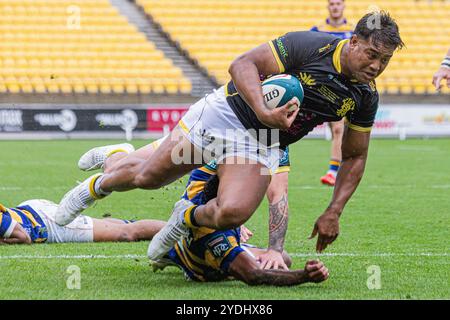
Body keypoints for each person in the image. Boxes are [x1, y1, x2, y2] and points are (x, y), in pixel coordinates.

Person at [55, 12, 404, 262]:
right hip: (226, 115)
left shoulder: (365, 97)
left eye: (384, 61)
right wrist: (264, 111)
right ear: (354, 42)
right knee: (148, 177)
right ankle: (94, 188)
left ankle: (185, 217)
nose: (376, 66)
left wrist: (334, 211)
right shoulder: (311, 45)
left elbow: (355, 156)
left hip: (262, 144)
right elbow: (241, 65)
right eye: (372, 55)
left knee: (232, 213)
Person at [76, 139, 292, 269]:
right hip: (195, 133)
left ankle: (178, 254)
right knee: (119, 172)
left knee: (282, 259)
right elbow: (208, 182)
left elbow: (277, 193)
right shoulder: (228, 118)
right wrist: (228, 212)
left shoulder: (274, 138)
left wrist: (274, 249)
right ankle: (114, 154)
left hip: (208, 178)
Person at [151, 171, 329, 285]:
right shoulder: (215, 238)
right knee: (273, 265)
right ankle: (178, 255)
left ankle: (172, 246)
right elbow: (253, 275)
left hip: (194, 226)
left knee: (282, 258)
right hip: (203, 268)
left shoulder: (206, 184)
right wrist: (303, 276)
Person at [311, 0, 354, 186]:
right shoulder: (317, 30)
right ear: (328, 6)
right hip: (319, 86)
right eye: (332, 3)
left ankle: (333, 171)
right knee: (335, 130)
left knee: (338, 129)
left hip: (341, 87)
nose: (335, 7)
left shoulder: (354, 31)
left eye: (338, 3)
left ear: (344, 6)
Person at [0, 199, 165, 244]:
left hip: (46, 222)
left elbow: (24, 238)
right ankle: (127, 223)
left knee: (125, 234)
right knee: (104, 226)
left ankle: (179, 229)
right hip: (32, 212)